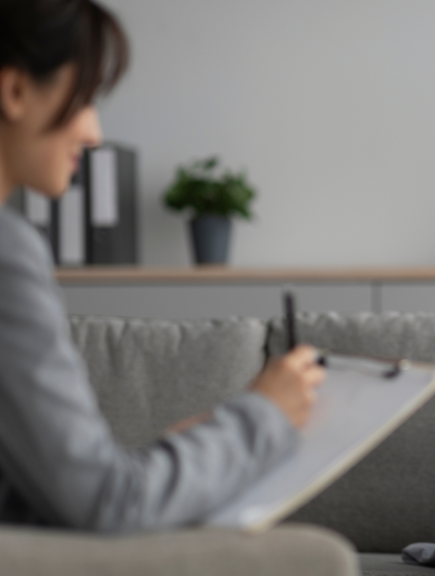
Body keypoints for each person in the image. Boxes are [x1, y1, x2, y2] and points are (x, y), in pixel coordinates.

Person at [0, 0, 325, 532]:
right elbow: (110, 503)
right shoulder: (8, 254)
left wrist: (186, 452)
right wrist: (264, 414)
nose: (94, 133)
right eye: (84, 99)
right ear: (15, 92)